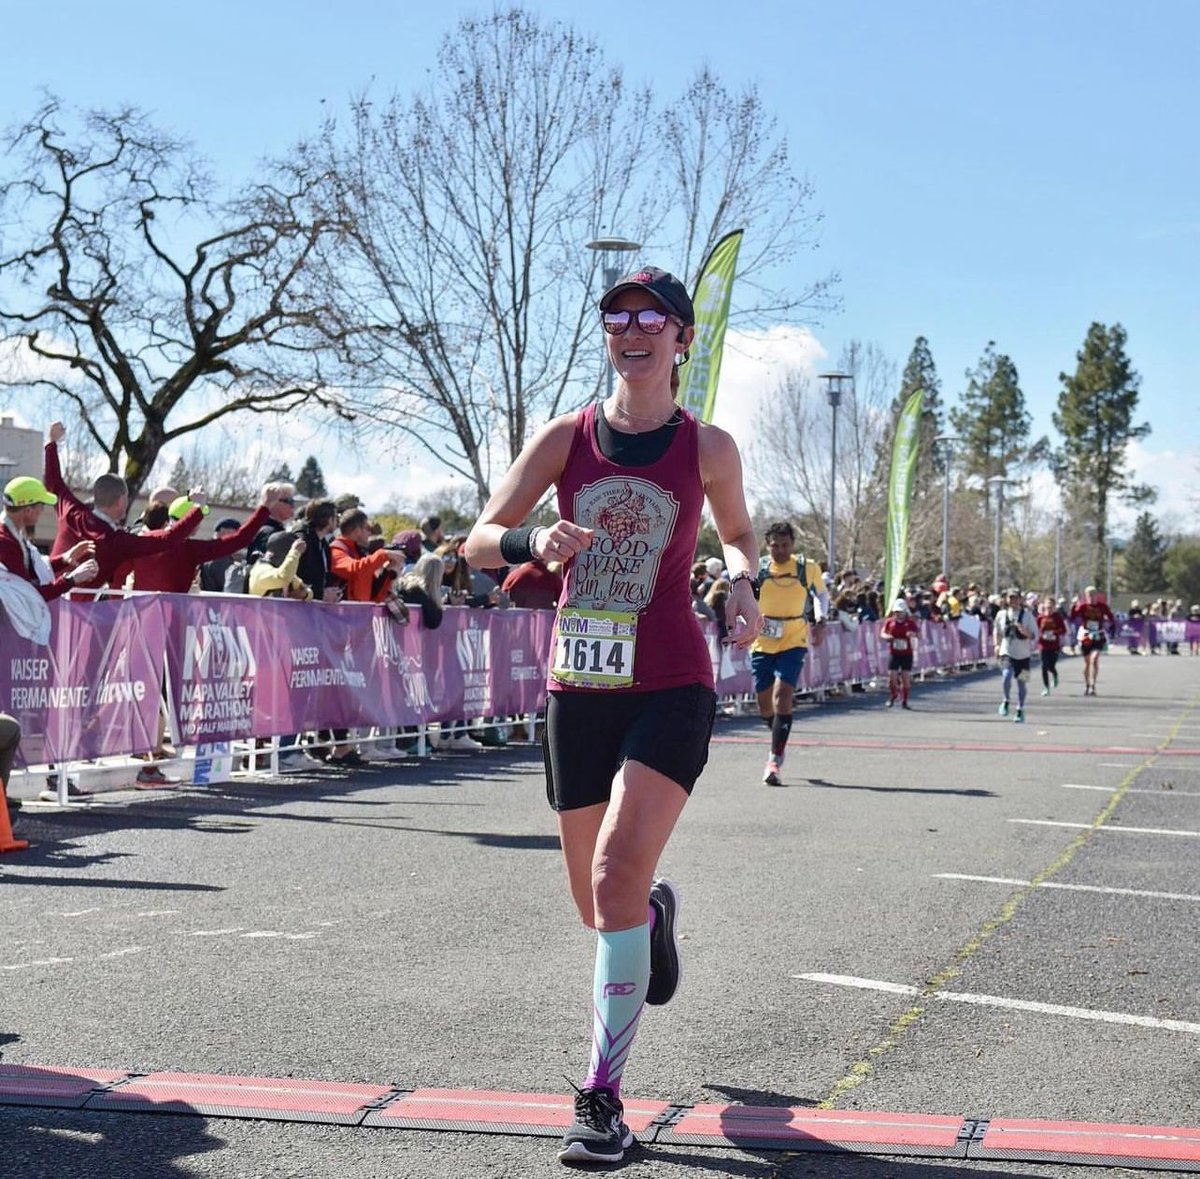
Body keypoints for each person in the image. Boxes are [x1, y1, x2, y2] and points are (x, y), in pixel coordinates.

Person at [464, 264, 760, 1165]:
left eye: (651, 318)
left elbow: (741, 533)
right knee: (600, 908)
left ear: (682, 338)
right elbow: (477, 537)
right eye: (616, 318)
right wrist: (530, 540)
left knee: (615, 871)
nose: (631, 330)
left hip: (671, 679)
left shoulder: (706, 447)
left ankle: (600, 1098)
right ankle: (652, 922)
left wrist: (741, 577)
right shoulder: (566, 438)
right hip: (578, 687)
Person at [43, 422, 206, 590]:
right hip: (82, 612)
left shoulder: (71, 511)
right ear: (121, 501)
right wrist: (197, 508)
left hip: (50, 603)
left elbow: (54, 483)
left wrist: (51, 443)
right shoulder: (116, 541)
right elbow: (167, 539)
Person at [749, 520, 826, 787]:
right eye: (775, 546)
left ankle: (774, 759)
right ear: (767, 545)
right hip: (762, 639)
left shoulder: (807, 567)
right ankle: (779, 735)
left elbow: (820, 596)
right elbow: (743, 597)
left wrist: (820, 620)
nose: (780, 550)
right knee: (764, 704)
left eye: (785, 545)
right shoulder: (757, 568)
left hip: (794, 636)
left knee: (784, 695)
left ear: (792, 544)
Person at [0, 476, 97, 598]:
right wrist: (71, 579)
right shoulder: (6, 543)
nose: (42, 510)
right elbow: (30, 596)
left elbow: (32, 569)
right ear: (28, 510)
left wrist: (63, 559)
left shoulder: (11, 534)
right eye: (42, 505)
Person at [994, 587, 1035, 722]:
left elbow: (1034, 635)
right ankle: (1005, 700)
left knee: (1022, 683)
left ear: (1020, 599)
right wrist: (996, 645)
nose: (1013, 601)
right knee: (1006, 676)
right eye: (1010, 598)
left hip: (1024, 655)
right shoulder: (1001, 614)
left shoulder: (1028, 616)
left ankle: (1020, 709)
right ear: (1006, 600)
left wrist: (1024, 632)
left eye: (1015, 598)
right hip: (1007, 652)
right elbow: (997, 631)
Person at [1070, 585, 1116, 696]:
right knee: (1086, 662)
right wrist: (1073, 605)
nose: (1091, 597)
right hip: (1086, 635)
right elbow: (1073, 617)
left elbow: (1111, 618)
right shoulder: (1083, 606)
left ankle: (1093, 685)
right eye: (1089, 595)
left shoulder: (1102, 606)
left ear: (1096, 596)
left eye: (1093, 595)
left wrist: (1111, 628)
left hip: (1098, 635)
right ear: (1086, 597)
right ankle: (1087, 685)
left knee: (1094, 659)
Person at [880, 598, 920, 709]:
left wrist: (912, 634)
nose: (898, 614)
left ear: (905, 612)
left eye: (900, 612)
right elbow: (882, 633)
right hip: (894, 653)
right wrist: (887, 637)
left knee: (905, 679)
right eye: (896, 612)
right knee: (892, 678)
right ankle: (893, 695)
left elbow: (919, 635)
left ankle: (905, 701)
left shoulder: (910, 623)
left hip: (907, 654)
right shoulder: (890, 622)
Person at [198, 517, 246, 592]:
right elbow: (228, 586)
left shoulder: (208, 551)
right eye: (235, 534)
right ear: (224, 532)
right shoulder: (220, 557)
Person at [1035, 596, 1067, 695]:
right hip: (1043, 645)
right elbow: (1036, 629)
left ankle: (1055, 675)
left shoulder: (1057, 617)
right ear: (1044, 605)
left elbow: (1063, 630)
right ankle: (1046, 687)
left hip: (1054, 645)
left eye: (1051, 605)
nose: (1049, 607)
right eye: (1047, 605)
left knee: (1051, 666)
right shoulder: (1040, 617)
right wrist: (1040, 635)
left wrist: (1054, 633)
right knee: (1044, 666)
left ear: (1054, 606)